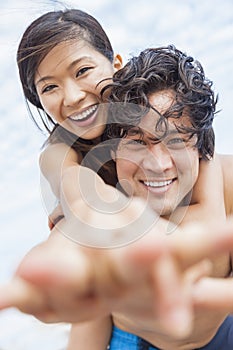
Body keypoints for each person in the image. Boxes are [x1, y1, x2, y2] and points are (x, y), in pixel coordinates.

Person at [3, 8, 232, 349]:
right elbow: (81, 197)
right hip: (127, 304)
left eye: (82, 71)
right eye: (49, 88)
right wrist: (105, 226)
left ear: (117, 66)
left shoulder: (164, 116)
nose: (73, 95)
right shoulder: (60, 153)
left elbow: (210, 207)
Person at [104, 45, 233, 349]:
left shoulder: (227, 188)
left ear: (201, 148)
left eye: (175, 140)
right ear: (111, 149)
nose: (158, 165)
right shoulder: (99, 206)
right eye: (137, 141)